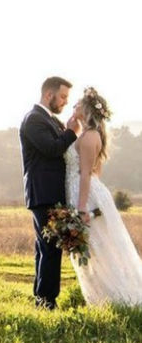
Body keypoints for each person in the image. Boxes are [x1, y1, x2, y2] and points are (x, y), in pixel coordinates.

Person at [64, 87, 142, 305]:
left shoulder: (89, 137)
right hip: (81, 192)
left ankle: (120, 298)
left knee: (98, 247)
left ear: (87, 109)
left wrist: (81, 209)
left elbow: (88, 174)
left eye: (77, 104)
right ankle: (105, 297)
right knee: (92, 248)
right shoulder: (86, 133)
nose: (73, 107)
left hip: (86, 196)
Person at [19, 77, 81, 310]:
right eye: (63, 96)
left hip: (49, 194)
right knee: (51, 248)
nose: (65, 102)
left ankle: (41, 299)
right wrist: (72, 132)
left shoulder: (48, 120)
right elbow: (52, 149)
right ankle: (47, 303)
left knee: (44, 248)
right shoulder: (34, 119)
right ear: (48, 95)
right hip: (43, 194)